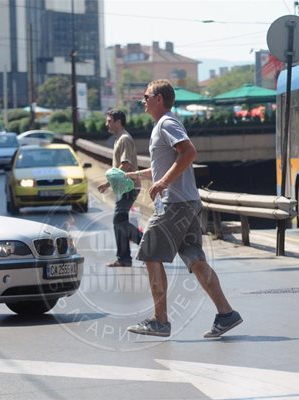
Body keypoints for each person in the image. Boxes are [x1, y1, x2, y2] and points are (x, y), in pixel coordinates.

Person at [124, 79, 243, 338]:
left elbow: (188, 152)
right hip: (187, 204)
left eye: (146, 96)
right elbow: (161, 167)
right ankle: (226, 314)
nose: (142, 101)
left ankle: (160, 321)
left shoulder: (167, 122)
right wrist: (134, 175)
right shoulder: (163, 125)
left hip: (173, 205)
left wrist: (164, 182)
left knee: (150, 255)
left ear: (159, 98)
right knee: (196, 261)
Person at [98, 109, 141, 267]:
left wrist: (108, 183)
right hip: (123, 188)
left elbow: (125, 164)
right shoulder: (118, 139)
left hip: (129, 187)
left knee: (119, 221)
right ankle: (124, 259)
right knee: (120, 221)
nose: (106, 124)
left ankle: (147, 245)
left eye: (109, 121)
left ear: (118, 122)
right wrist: (108, 184)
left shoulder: (124, 139)